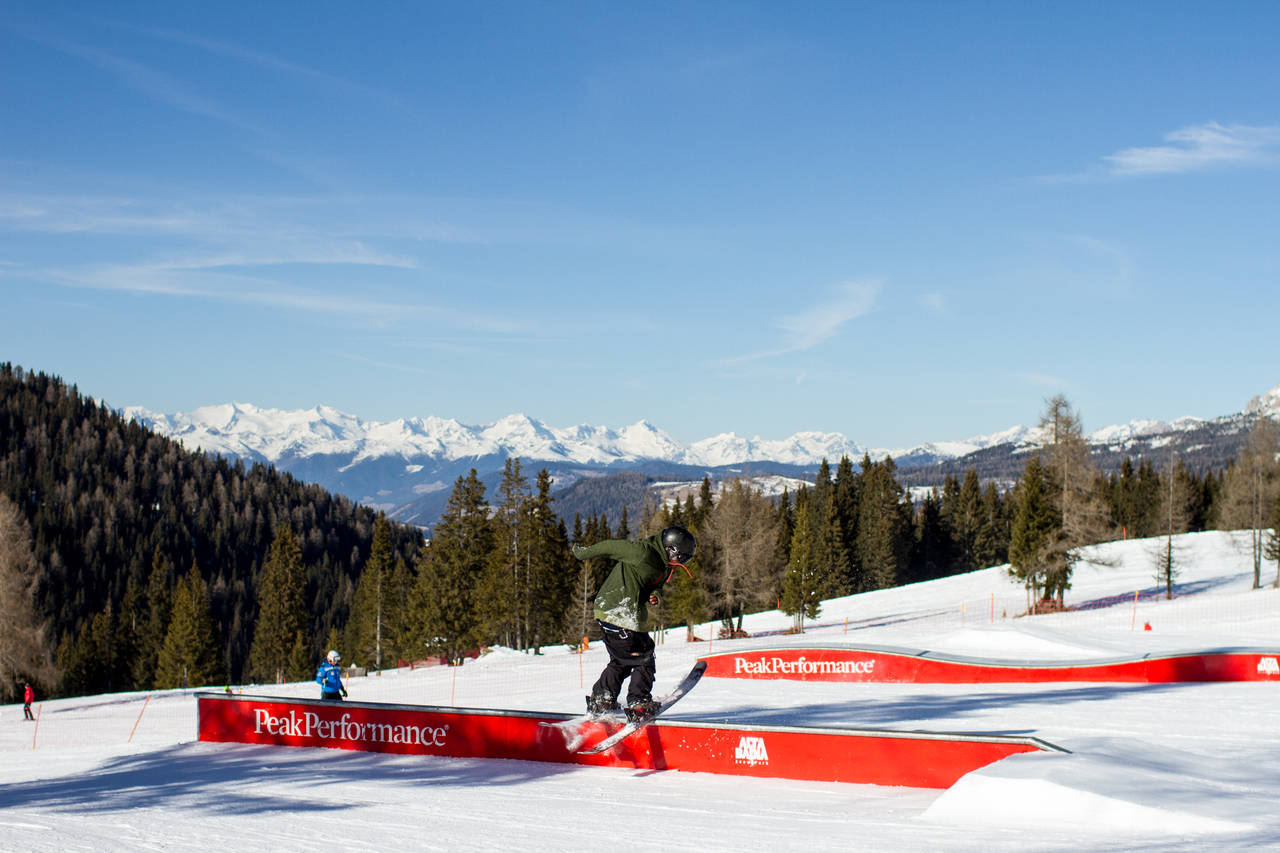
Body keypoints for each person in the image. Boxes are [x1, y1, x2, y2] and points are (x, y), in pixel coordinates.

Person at [573, 525, 696, 721]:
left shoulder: (662, 565)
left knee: (622, 660)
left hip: (619, 615)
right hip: (617, 611)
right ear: (670, 549)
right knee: (643, 656)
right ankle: (638, 702)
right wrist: (583, 553)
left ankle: (602, 699)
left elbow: (654, 584)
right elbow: (611, 546)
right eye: (681, 557)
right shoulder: (642, 552)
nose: (680, 562)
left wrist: (655, 595)